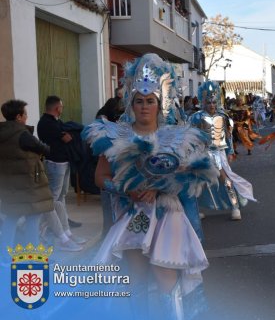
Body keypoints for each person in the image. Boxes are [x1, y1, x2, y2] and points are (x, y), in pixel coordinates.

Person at [84, 53, 218, 319]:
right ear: (130, 104)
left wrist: (161, 188)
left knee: (166, 276)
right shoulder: (113, 135)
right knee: (136, 279)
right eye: (139, 101)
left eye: (150, 101)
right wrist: (126, 189)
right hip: (134, 216)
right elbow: (100, 177)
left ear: (160, 104)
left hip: (168, 215)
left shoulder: (178, 137)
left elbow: (194, 176)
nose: (144, 106)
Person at [190, 81, 256, 221]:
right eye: (209, 102)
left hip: (218, 153)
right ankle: (196, 210)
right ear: (203, 102)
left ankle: (235, 207)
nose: (212, 105)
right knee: (199, 182)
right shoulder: (196, 117)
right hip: (203, 154)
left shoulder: (224, 116)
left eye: (214, 102)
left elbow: (228, 136)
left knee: (225, 180)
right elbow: (191, 137)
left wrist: (231, 151)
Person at [0, 99, 54, 260]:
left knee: (10, 220)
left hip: (9, 187)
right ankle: (33, 256)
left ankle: (4, 258)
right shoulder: (22, 134)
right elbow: (45, 149)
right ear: (18, 117)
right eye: (25, 114)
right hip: (29, 187)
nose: (26, 117)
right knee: (33, 221)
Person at [37, 95, 86, 250]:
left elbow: (68, 137)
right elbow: (66, 138)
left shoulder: (55, 122)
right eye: (61, 107)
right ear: (57, 108)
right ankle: (60, 237)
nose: (62, 110)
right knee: (53, 200)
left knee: (61, 197)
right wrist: (66, 135)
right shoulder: (46, 123)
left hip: (63, 163)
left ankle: (67, 232)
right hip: (55, 164)